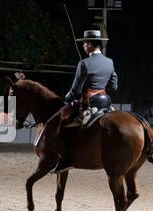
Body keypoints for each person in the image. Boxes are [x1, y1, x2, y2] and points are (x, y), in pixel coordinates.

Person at [48, 30, 118, 173]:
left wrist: (66, 98)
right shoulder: (110, 62)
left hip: (89, 102)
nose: (83, 46)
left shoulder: (84, 63)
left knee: (61, 125)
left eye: (85, 43)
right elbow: (114, 86)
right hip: (105, 102)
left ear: (91, 44)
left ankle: (64, 159)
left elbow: (76, 90)